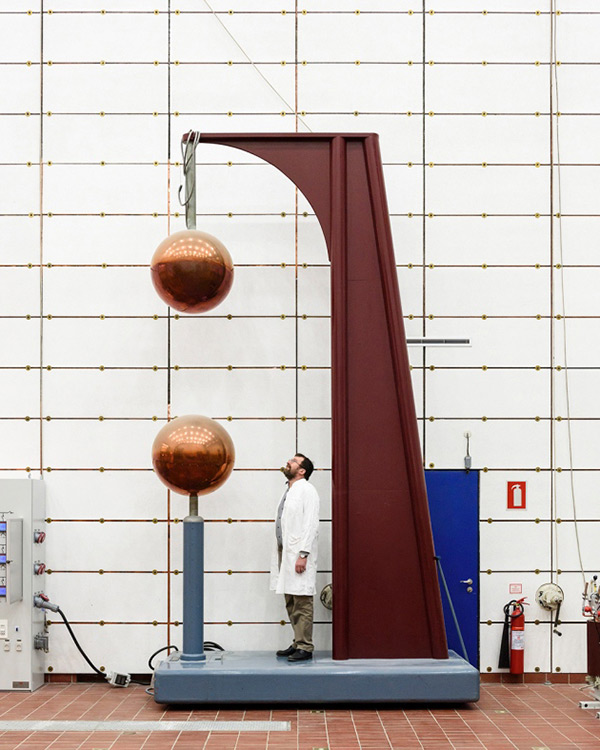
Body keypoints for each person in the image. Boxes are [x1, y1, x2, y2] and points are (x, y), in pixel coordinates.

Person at [270, 453, 320, 662]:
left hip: (298, 553)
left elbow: (311, 524)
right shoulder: (290, 490)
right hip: (286, 551)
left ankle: (305, 647)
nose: (288, 462)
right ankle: (297, 641)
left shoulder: (307, 490)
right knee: (290, 599)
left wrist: (303, 554)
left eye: (293, 461)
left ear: (302, 471)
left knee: (301, 599)